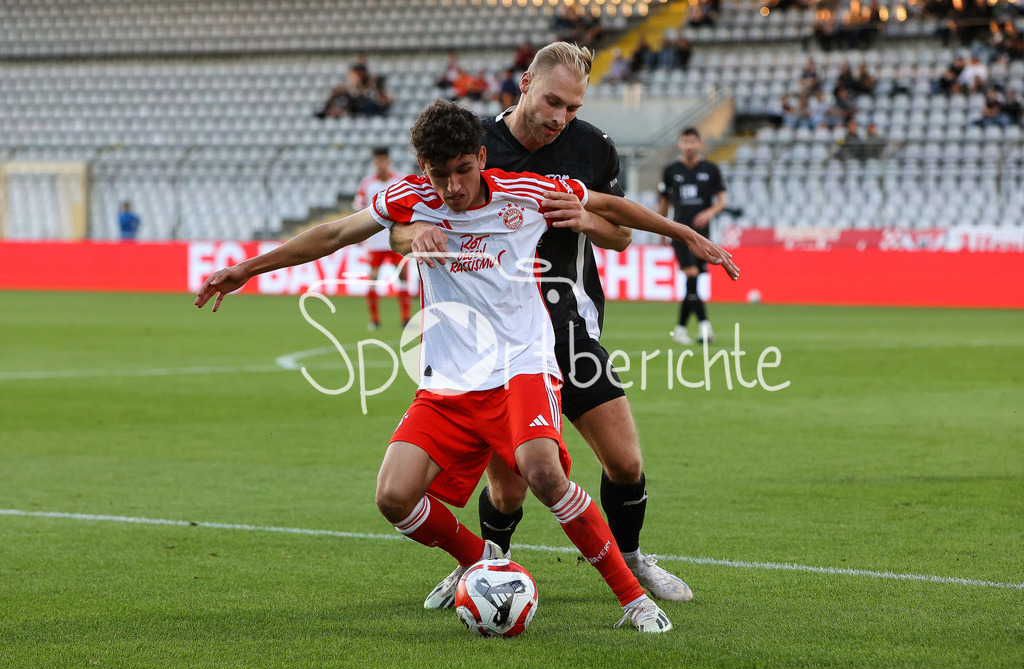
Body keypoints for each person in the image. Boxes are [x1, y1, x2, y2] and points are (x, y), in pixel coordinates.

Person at [195, 98, 716, 632]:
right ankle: (481, 565)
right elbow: (333, 235)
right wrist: (247, 268)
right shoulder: (410, 199)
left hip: (523, 365)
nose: (453, 189)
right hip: (451, 378)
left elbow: (613, 208)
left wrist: (685, 235)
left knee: (542, 472)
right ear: (424, 171)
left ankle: (633, 599)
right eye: (439, 175)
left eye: (464, 171)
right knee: (393, 497)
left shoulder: (526, 192)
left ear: (482, 157)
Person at [391, 42, 738, 609]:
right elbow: (407, 223)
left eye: (573, 108)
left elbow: (620, 233)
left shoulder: (592, 147)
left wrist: (586, 220)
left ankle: (630, 558)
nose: (560, 118)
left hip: (568, 324)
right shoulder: (471, 141)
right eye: (553, 101)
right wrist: (416, 239)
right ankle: (486, 569)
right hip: (495, 337)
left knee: (624, 461)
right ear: (525, 82)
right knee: (508, 486)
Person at [658, 127, 726, 345]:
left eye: (692, 141)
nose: (688, 145)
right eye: (685, 141)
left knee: (693, 282)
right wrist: (661, 229)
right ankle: (706, 327)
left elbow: (722, 201)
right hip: (679, 233)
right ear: (680, 144)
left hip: (703, 236)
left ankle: (679, 330)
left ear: (699, 144)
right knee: (692, 274)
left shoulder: (711, 169)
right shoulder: (670, 170)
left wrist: (709, 212)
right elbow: (664, 203)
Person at [352, 147, 408, 330]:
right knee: (373, 278)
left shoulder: (399, 180)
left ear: (388, 161)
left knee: (403, 276)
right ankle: (375, 320)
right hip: (375, 241)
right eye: (378, 160)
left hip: (397, 240)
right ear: (374, 162)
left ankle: (405, 318)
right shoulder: (367, 184)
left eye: (384, 160)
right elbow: (359, 210)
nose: (381, 164)